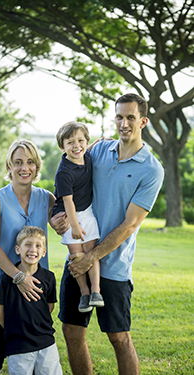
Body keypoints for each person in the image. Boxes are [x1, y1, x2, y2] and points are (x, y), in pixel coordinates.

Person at [51, 93, 165, 375]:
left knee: (118, 336)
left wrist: (92, 257)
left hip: (113, 266)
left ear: (143, 121)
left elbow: (129, 224)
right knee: (71, 330)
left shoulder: (151, 169)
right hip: (80, 259)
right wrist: (56, 216)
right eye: (119, 117)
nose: (123, 123)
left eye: (130, 117)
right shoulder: (98, 150)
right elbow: (67, 177)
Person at [0, 139, 68, 375]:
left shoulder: (47, 198)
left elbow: (60, 226)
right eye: (18, 162)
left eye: (29, 162)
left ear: (37, 167)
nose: (24, 168)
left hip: (35, 290)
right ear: (9, 166)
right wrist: (19, 277)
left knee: (35, 358)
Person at [0, 226, 63, 375]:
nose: (33, 249)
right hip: (18, 345)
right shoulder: (6, 279)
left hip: (46, 343)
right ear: (18, 249)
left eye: (38, 246)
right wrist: (14, 329)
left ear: (44, 252)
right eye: (28, 244)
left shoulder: (49, 278)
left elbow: (49, 307)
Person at [52, 121, 104, 313]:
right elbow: (68, 202)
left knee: (90, 251)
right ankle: (84, 293)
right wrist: (74, 225)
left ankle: (96, 291)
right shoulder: (64, 172)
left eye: (80, 141)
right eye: (70, 142)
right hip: (68, 215)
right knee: (76, 255)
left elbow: (87, 149)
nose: (76, 146)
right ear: (62, 147)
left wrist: (97, 142)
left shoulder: (87, 157)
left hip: (87, 211)